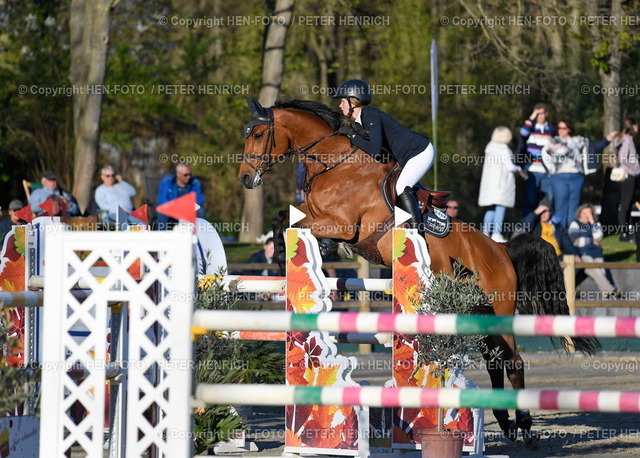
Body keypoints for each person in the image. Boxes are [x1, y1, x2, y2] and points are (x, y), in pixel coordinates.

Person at [332, 79, 435, 231]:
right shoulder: (361, 122)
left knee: (401, 187)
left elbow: (374, 149)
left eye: (342, 102)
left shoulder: (370, 115)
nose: (340, 106)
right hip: (408, 156)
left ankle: (415, 234)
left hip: (420, 152)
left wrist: (353, 137)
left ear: (353, 101)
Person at [542, 120, 617, 229]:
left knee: (574, 207)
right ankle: (559, 235)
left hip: (576, 177)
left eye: (564, 128)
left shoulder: (579, 141)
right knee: (560, 206)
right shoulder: (552, 142)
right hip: (558, 177)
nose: (561, 130)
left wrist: (608, 138)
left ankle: (572, 235)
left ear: (569, 129)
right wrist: (551, 169)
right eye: (559, 128)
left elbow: (595, 147)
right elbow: (544, 155)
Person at [478, 126, 523, 242]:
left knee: (491, 208)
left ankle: (485, 232)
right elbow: (510, 166)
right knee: (501, 206)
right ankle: (496, 234)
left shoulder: (490, 147)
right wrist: (519, 169)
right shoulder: (504, 149)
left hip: (490, 184)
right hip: (501, 183)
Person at [568, 203, 619, 299]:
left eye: (589, 213)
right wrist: (591, 240)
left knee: (601, 271)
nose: (586, 216)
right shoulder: (575, 224)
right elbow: (575, 241)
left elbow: (598, 237)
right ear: (579, 214)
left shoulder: (595, 224)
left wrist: (592, 221)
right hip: (583, 253)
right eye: (584, 213)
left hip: (596, 253)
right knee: (595, 270)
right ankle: (611, 290)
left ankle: (606, 293)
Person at [519, 103, 556, 216]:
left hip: (547, 171)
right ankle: (527, 226)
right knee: (530, 200)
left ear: (546, 114)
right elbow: (523, 133)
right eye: (537, 114)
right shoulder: (530, 128)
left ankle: (545, 227)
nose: (540, 116)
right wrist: (532, 117)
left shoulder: (551, 129)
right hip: (532, 170)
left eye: (542, 113)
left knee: (549, 199)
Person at [613, 118, 640, 242]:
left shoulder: (628, 139)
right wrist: (634, 167)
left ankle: (627, 232)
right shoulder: (627, 140)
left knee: (628, 204)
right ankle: (623, 234)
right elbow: (623, 158)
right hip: (628, 175)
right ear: (633, 126)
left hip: (631, 175)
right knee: (625, 204)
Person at [156, 163, 205, 229]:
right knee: (161, 212)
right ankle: (163, 237)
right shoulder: (166, 182)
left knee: (201, 211)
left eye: (190, 174)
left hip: (188, 210)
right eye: (186, 175)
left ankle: (198, 237)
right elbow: (162, 200)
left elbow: (200, 200)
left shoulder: (195, 183)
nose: (188, 177)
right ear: (178, 174)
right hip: (171, 211)